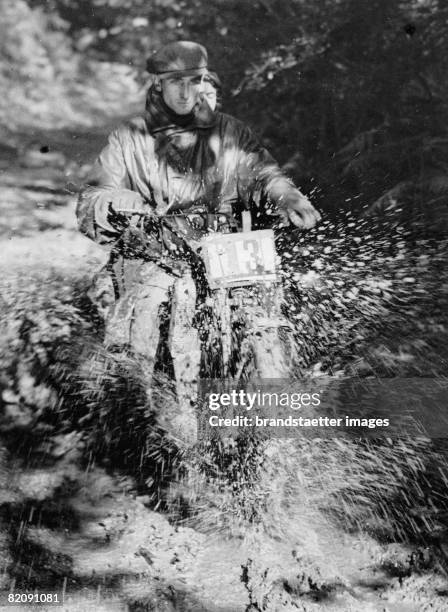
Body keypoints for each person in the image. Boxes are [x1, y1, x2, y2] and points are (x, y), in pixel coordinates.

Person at [77, 41, 320, 441]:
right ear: (157, 84)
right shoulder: (129, 138)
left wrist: (288, 195)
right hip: (159, 247)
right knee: (150, 317)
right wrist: (124, 203)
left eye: (195, 80)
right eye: (176, 82)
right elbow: (94, 197)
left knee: (264, 322)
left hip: (225, 242)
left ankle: (268, 420)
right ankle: (154, 420)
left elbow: (262, 172)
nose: (187, 92)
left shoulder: (229, 131)